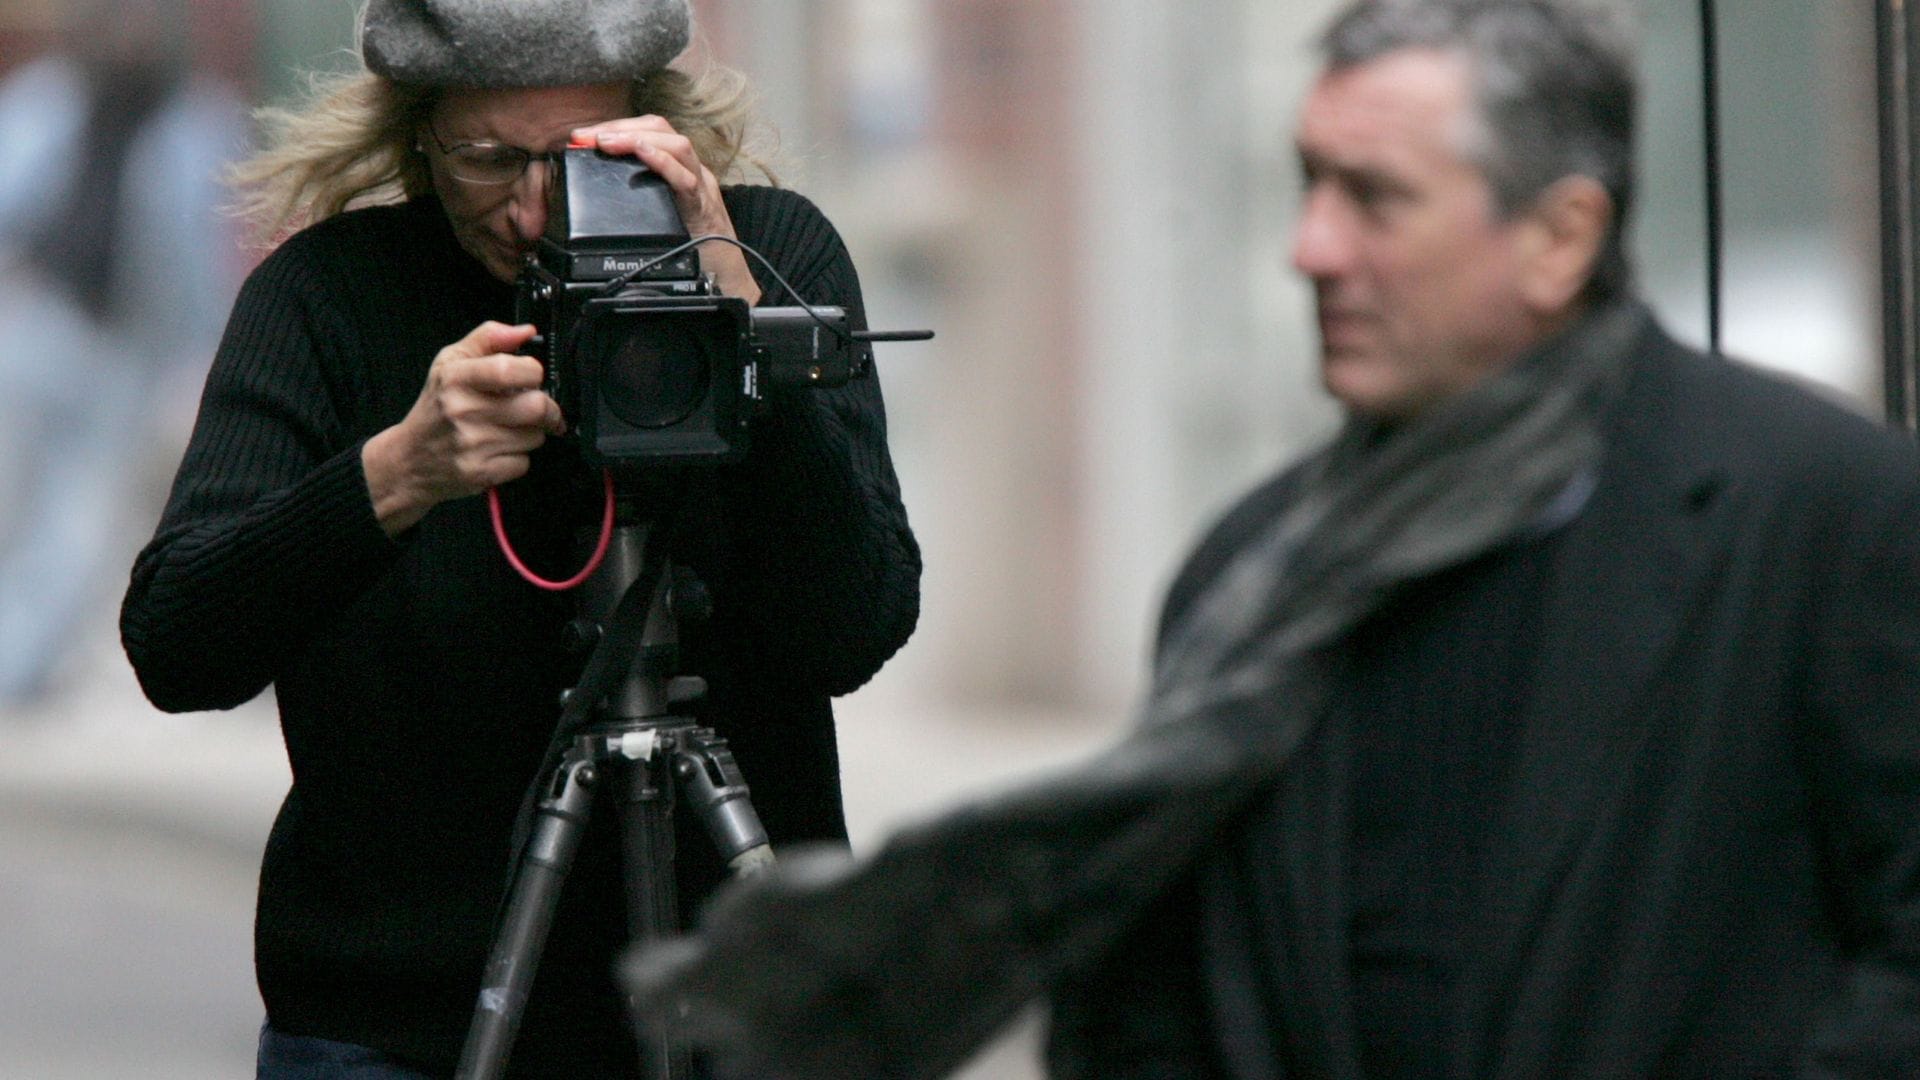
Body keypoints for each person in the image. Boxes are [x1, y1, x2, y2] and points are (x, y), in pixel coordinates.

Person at [619, 1, 1920, 1078]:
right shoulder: (1251, 566)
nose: (1311, 250)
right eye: (1306, 187)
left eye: (1374, 198)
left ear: (1561, 235)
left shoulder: (1825, 515)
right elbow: (1150, 1001)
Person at [118, 0, 921, 1076]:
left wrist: (747, 351)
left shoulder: (768, 257)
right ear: (415, 138)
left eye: (585, 162)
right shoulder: (330, 299)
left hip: (739, 1005)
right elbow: (177, 646)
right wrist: (395, 474)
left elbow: (855, 625)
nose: (536, 213)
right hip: (403, 1022)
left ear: (657, 125)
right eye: (488, 161)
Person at [0, 0, 246, 706]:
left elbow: (204, 263)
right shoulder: (42, 103)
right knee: (13, 507)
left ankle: (17, 673)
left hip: (126, 352)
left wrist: (202, 358)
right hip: (37, 330)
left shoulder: (199, 124)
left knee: (77, 519)